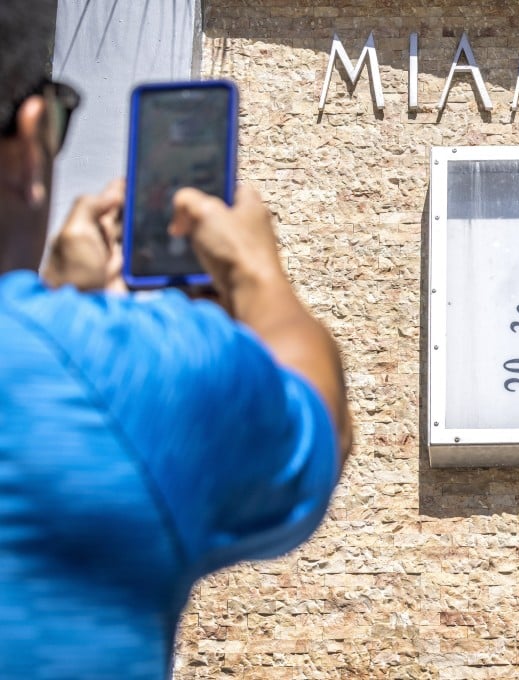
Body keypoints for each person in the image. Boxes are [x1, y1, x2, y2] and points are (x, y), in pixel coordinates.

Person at [0, 2, 352, 678]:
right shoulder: (130, 376)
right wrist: (255, 277)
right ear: (32, 133)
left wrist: (62, 311)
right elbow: (319, 427)